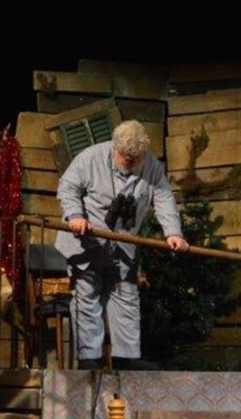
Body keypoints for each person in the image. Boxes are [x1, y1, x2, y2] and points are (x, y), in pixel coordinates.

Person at [55, 120, 188, 370]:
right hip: (88, 242)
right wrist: (75, 215)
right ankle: (89, 359)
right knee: (87, 296)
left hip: (124, 245)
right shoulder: (91, 157)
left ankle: (127, 357)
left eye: (137, 157)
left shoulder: (150, 165)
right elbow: (68, 187)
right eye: (128, 157)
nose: (133, 161)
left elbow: (163, 197)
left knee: (126, 296)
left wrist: (173, 232)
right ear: (115, 148)